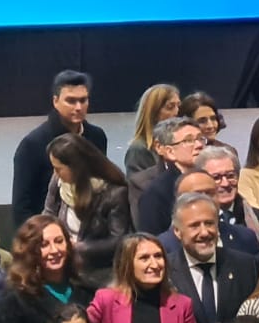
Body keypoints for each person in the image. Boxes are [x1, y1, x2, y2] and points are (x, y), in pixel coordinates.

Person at [13, 71, 107, 226]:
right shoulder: (32, 144)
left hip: (92, 229)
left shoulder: (97, 137)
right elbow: (21, 206)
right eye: (71, 101)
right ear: (55, 101)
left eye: (83, 100)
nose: (78, 107)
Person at [43, 132, 133, 287]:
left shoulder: (114, 193)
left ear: (76, 167)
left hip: (100, 276)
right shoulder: (58, 183)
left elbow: (119, 240)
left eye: (59, 168)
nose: (55, 173)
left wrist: (78, 248)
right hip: (65, 268)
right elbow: (48, 215)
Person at [166, 193, 259, 323]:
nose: (204, 232)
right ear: (177, 231)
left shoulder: (245, 266)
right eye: (195, 226)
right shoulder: (166, 271)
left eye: (209, 223)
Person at [130, 118, 206, 235]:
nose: (199, 145)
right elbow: (151, 236)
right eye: (188, 140)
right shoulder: (156, 191)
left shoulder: (213, 178)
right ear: (170, 152)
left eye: (200, 138)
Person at [123, 84, 180, 176]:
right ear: (153, 112)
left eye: (178, 106)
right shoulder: (139, 149)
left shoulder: (179, 144)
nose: (177, 112)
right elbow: (137, 186)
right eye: (170, 107)